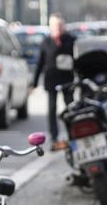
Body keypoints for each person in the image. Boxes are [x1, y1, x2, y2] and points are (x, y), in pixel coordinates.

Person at [31, 14, 77, 145]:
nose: (58, 28)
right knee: (52, 109)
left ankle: (73, 134)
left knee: (70, 109)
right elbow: (40, 63)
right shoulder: (46, 42)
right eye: (55, 26)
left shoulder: (71, 40)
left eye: (60, 25)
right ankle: (54, 136)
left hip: (67, 79)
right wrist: (33, 83)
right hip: (51, 80)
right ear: (50, 27)